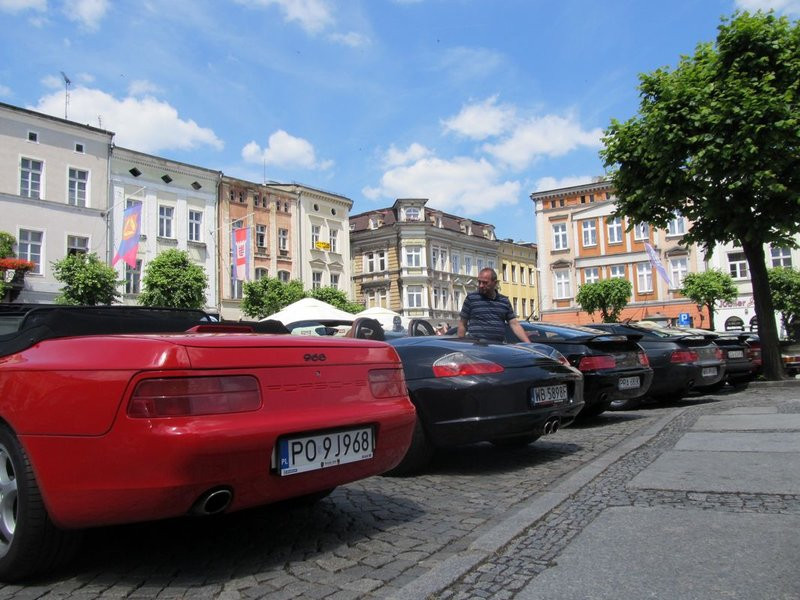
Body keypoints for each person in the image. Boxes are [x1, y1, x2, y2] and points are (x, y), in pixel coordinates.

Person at [458, 267, 529, 343]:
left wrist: (528, 343)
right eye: (479, 282)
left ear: (494, 283)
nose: (481, 285)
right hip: (477, 347)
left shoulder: (504, 301)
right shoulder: (471, 299)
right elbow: (463, 323)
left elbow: (514, 324)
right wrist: (462, 344)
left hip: (497, 347)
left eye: (485, 283)